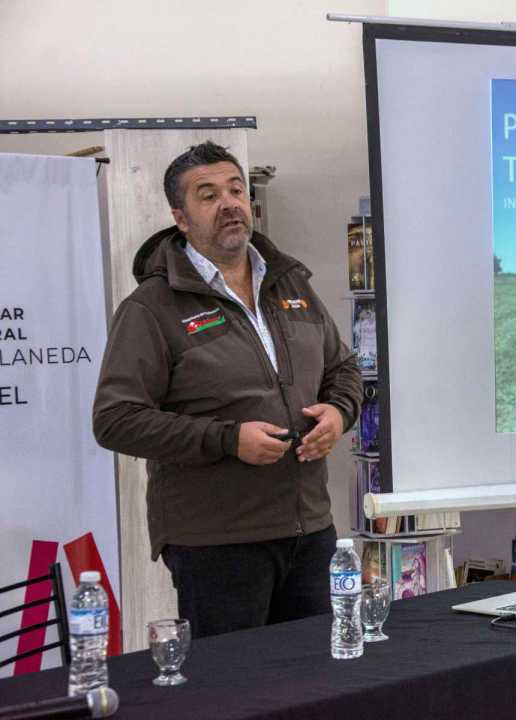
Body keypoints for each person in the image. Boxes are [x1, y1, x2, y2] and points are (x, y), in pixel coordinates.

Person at [93, 141, 362, 638]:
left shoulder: (291, 285)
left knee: (319, 687)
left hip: (310, 532)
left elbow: (342, 366)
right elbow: (115, 419)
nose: (229, 203)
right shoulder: (151, 308)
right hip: (217, 546)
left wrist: (339, 413)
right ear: (181, 216)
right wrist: (227, 440)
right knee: (236, 695)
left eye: (236, 190)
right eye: (208, 195)